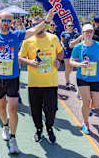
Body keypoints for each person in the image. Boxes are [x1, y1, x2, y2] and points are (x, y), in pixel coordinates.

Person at [0, 6, 56, 154]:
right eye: (3, 20)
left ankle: (13, 138)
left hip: (12, 79)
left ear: (11, 22)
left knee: (12, 109)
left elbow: (32, 31)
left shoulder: (16, 35)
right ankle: (5, 126)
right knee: (1, 108)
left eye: (8, 20)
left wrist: (46, 21)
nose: (6, 23)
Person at [18, 16, 63, 144]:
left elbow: (60, 53)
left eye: (39, 24)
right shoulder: (28, 41)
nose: (37, 27)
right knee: (35, 110)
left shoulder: (53, 38)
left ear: (44, 24)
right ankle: (39, 129)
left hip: (50, 82)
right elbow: (20, 57)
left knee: (51, 109)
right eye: (34, 25)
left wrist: (58, 61)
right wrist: (29, 62)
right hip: (34, 83)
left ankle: (49, 127)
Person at [69, 24, 99, 135]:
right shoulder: (78, 47)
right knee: (86, 102)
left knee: (96, 104)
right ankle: (85, 123)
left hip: (95, 78)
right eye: (86, 31)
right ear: (82, 33)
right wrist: (79, 64)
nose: (89, 33)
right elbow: (71, 61)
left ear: (93, 33)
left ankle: (89, 109)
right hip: (82, 78)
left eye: (91, 31)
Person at [61, 21, 81, 90]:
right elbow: (62, 41)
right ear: (66, 26)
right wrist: (63, 46)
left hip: (73, 51)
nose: (70, 27)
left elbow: (78, 42)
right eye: (69, 25)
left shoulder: (76, 34)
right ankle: (67, 83)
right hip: (66, 51)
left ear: (73, 27)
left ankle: (67, 76)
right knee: (67, 67)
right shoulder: (64, 33)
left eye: (71, 25)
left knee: (71, 67)